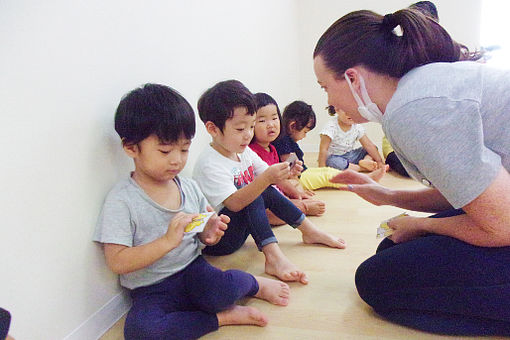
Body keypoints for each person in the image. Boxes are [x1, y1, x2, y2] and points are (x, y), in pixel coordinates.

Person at [313, 6, 510, 336]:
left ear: (352, 77)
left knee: (376, 282)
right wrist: (388, 195)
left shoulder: (412, 110)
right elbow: (469, 191)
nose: (331, 103)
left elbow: (501, 226)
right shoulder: (423, 86)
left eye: (324, 88)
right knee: (391, 250)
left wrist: (420, 226)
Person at [93, 83, 292, 340]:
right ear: (131, 148)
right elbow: (117, 261)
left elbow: (202, 234)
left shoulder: (187, 186)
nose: (177, 159)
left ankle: (254, 284)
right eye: (165, 151)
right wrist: (166, 242)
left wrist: (209, 232)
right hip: (150, 289)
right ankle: (220, 318)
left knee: (220, 291)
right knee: (140, 332)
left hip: (193, 269)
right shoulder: (122, 200)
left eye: (184, 149)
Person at [192, 80, 346, 285]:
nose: (248, 135)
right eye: (240, 129)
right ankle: (273, 257)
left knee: (260, 189)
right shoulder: (209, 163)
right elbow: (236, 203)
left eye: (251, 126)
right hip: (218, 240)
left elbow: (267, 174)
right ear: (212, 128)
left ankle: (309, 231)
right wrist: (266, 179)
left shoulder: (243, 151)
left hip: (239, 227)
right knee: (253, 192)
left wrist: (287, 172)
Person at [273, 101, 386, 191]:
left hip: (302, 174)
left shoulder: (286, 139)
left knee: (327, 172)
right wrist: (298, 189)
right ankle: (364, 180)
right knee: (327, 175)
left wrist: (380, 161)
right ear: (293, 126)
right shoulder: (283, 141)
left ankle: (363, 177)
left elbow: (369, 145)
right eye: (305, 132)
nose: (304, 136)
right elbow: (289, 170)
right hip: (299, 178)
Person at [249, 92, 326, 225]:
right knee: (270, 213)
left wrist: (296, 193)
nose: (271, 125)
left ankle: (295, 205)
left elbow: (279, 180)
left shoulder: (272, 148)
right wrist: (300, 201)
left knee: (295, 185)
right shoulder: (252, 152)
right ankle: (302, 208)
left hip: (277, 192)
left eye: (274, 118)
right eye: (262, 120)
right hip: (265, 200)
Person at [319, 105, 384, 172]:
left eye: (354, 112)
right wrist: (321, 169)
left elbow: (368, 145)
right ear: (337, 109)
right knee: (331, 162)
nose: (350, 115)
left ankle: (366, 161)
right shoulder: (331, 127)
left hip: (351, 155)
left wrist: (380, 162)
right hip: (335, 157)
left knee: (372, 148)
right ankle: (361, 168)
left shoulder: (357, 126)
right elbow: (323, 149)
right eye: (346, 111)